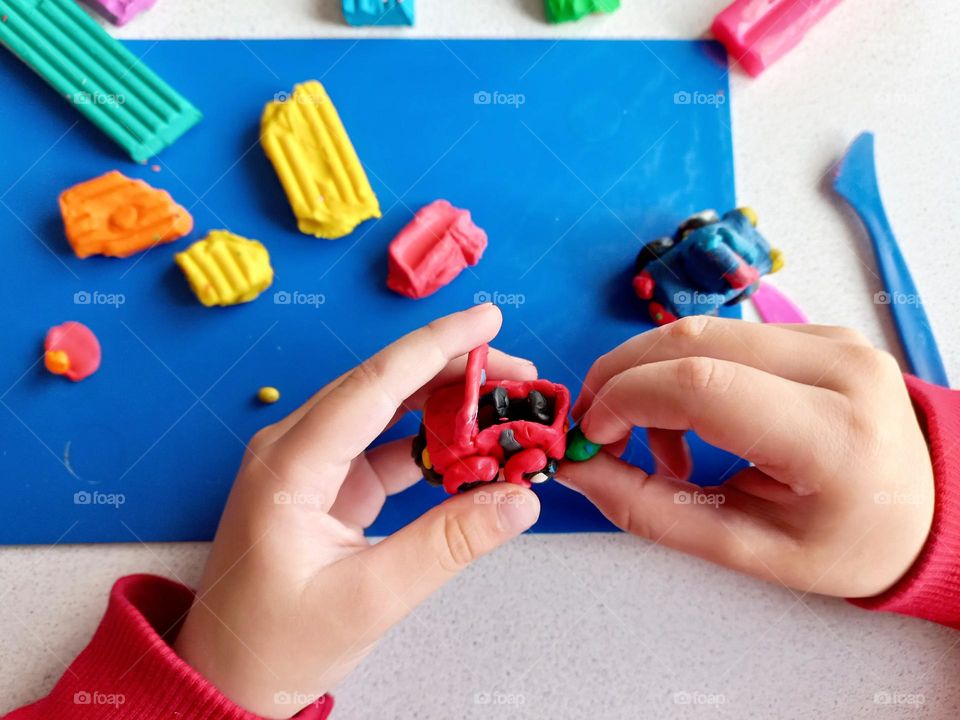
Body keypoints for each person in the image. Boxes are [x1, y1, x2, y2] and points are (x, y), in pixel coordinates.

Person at [4, 307, 958, 719]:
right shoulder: (483, 435)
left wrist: (213, 691)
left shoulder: (531, 436)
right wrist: (934, 522)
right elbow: (479, 444)